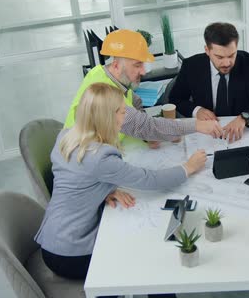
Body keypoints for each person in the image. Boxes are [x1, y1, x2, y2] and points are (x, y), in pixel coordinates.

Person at [36, 83, 206, 298]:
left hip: (52, 241)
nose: (125, 117)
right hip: (70, 255)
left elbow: (75, 178)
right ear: (108, 117)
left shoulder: (67, 136)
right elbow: (150, 180)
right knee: (150, 260)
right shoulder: (101, 157)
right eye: (122, 112)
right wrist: (188, 167)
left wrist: (104, 189)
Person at [64, 29, 222, 149]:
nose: (144, 71)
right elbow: (144, 125)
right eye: (137, 65)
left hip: (105, 152)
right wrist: (196, 125)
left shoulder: (107, 74)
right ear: (116, 65)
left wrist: (149, 137)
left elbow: (135, 101)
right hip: (85, 161)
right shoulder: (103, 92)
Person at [169, 22, 249, 142]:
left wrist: (245, 117)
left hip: (242, 134)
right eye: (220, 57)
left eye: (232, 55)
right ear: (207, 50)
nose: (227, 63)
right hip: (204, 135)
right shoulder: (191, 66)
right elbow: (175, 99)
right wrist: (196, 110)